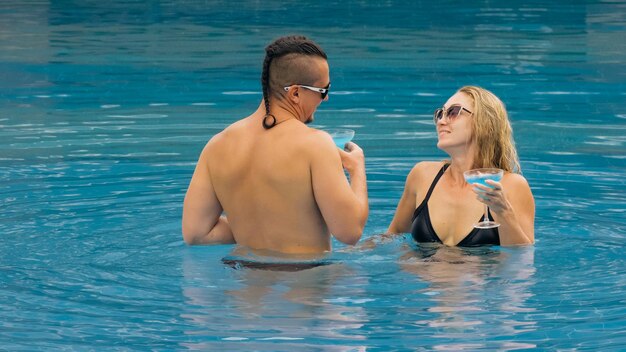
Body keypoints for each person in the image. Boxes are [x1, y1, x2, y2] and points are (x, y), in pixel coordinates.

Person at [182, 35, 368, 254]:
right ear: (296, 93)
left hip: (243, 278)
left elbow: (195, 233)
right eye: (323, 91)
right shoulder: (315, 144)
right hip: (307, 279)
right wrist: (357, 169)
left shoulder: (217, 145)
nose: (326, 99)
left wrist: (253, 227)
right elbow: (350, 232)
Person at [387, 86, 534, 246]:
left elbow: (521, 259)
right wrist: (358, 251)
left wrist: (504, 212)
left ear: (483, 122)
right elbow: (393, 235)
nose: (441, 121)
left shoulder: (512, 185)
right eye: (440, 114)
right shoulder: (422, 175)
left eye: (453, 112)